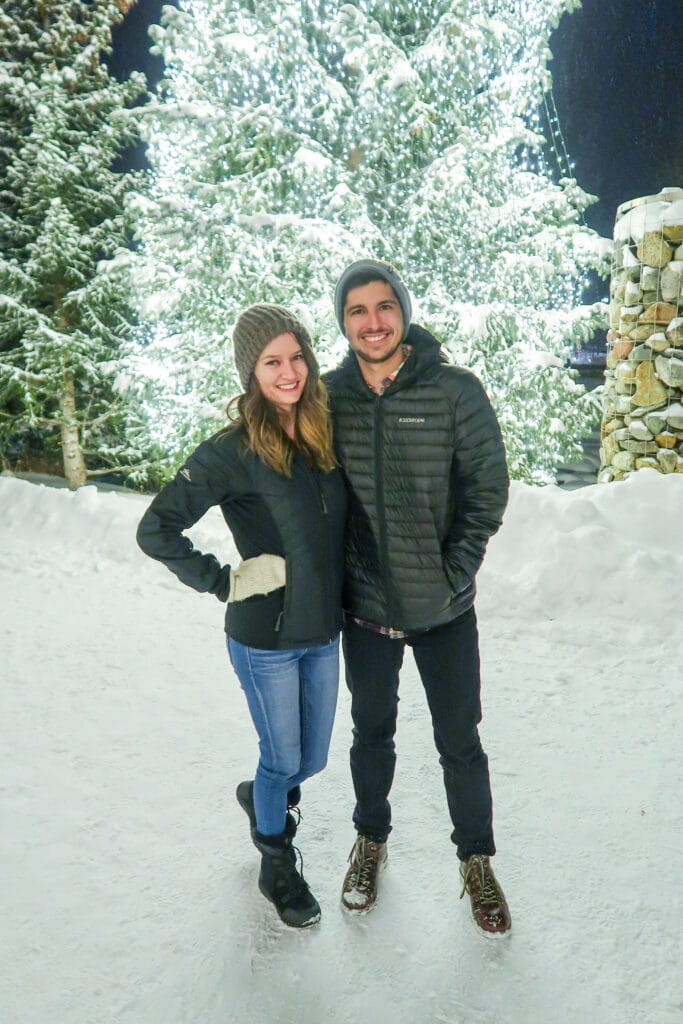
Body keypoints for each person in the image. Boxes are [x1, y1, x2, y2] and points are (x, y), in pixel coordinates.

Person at [136, 304, 347, 929]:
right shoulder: (230, 451)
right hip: (266, 640)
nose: (289, 372)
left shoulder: (321, 432)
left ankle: (264, 798)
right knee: (282, 760)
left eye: (296, 357)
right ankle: (275, 863)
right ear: (250, 372)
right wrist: (223, 579)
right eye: (271, 362)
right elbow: (156, 528)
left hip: (324, 632)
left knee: (311, 761)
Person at [323, 259, 511, 935]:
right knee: (370, 733)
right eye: (356, 311)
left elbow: (486, 491)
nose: (371, 322)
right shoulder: (329, 397)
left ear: (401, 312)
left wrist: (451, 572)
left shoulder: (455, 391)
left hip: (443, 611)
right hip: (365, 608)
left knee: (459, 741)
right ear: (342, 323)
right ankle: (369, 842)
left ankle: (476, 861)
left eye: (382, 307)